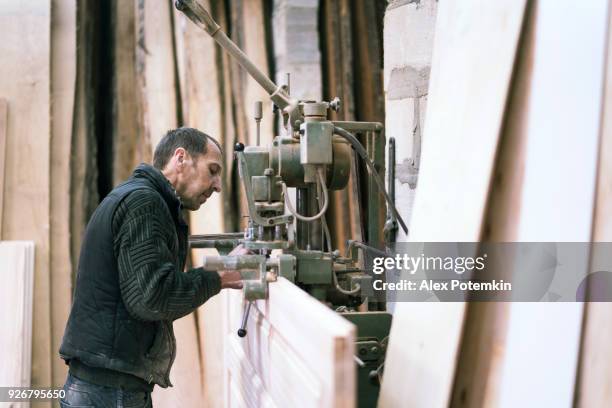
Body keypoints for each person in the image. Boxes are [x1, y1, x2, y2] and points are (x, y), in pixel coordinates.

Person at [58, 127, 245, 407]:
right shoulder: (144, 203)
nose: (218, 186)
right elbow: (152, 298)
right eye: (213, 170)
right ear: (180, 158)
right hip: (110, 393)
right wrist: (216, 277)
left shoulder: (139, 197)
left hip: (106, 386)